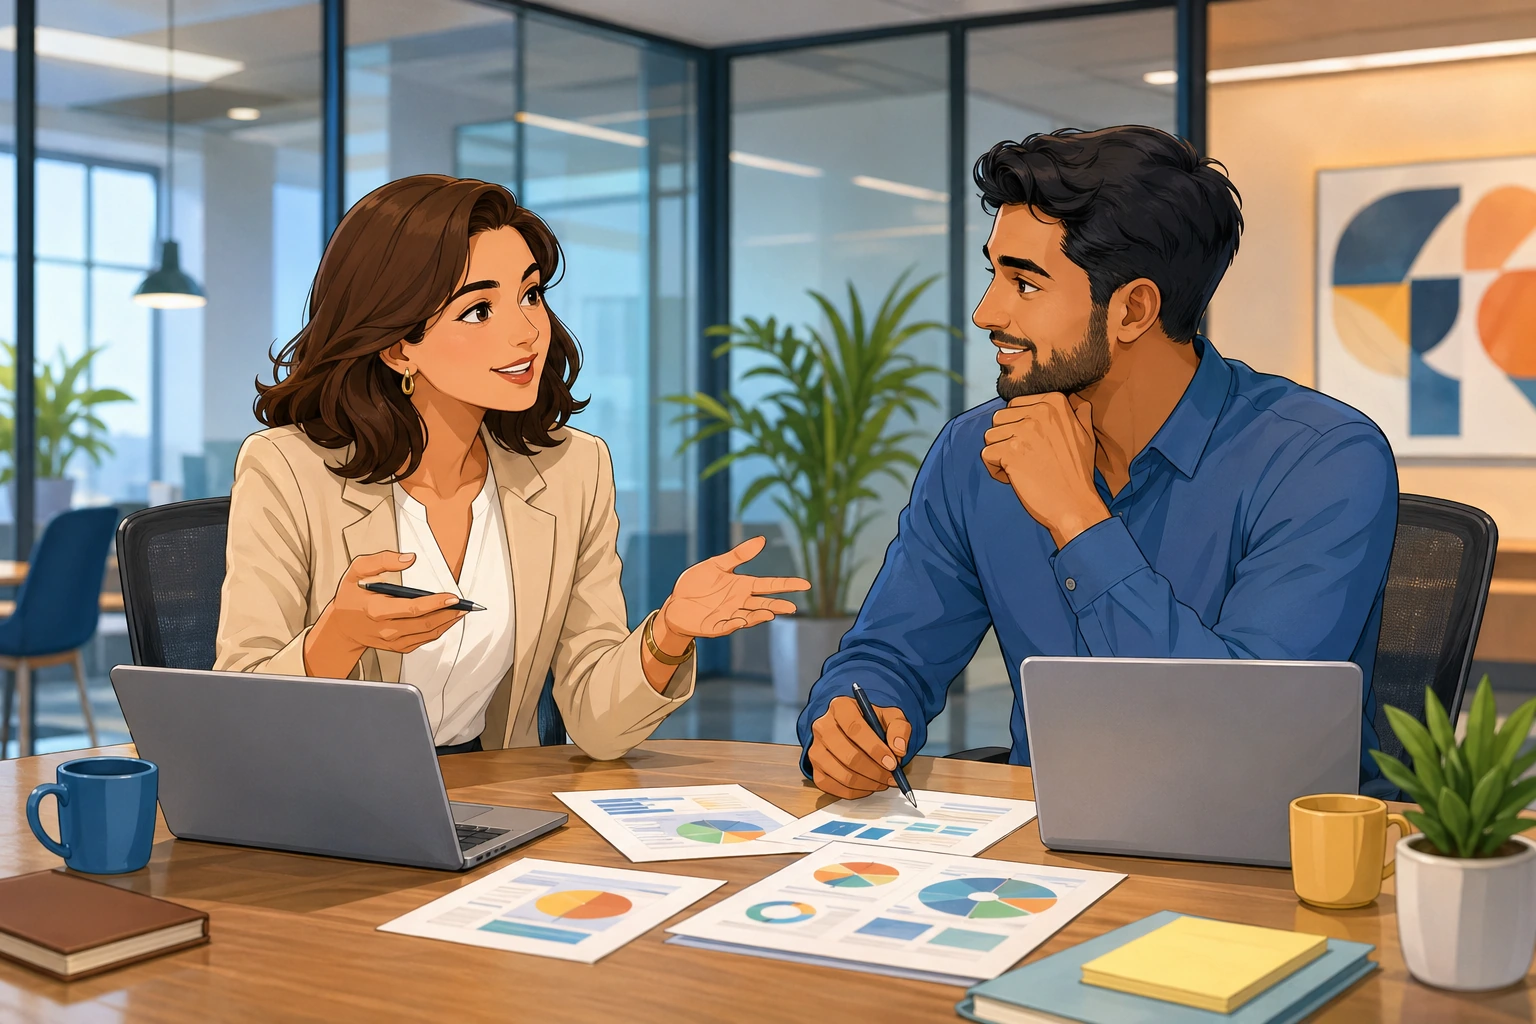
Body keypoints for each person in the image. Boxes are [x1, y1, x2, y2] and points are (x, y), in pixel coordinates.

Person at [799, 126, 1400, 799]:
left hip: (1266, 860)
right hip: (1047, 844)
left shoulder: (1321, 461)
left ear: (1133, 310)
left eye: (1025, 284)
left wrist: (1079, 522)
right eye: (993, 272)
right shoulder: (975, 454)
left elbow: (1240, 740)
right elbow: (889, 654)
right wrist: (854, 716)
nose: (984, 312)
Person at [215, 174, 808, 760]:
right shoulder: (287, 469)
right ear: (398, 346)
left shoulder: (574, 470)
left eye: (530, 295)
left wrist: (670, 632)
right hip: (331, 799)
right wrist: (335, 639)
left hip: (493, 797)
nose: (528, 332)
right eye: (478, 310)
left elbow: (596, 725)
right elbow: (241, 716)